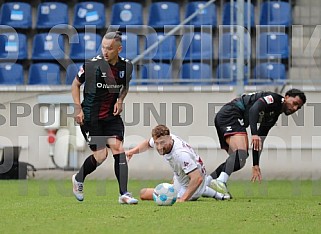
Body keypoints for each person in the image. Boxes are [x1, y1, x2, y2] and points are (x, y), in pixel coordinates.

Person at [71, 31, 138, 204]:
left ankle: (124, 194)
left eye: (109, 48)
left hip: (111, 116)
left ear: (119, 49)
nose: (105, 52)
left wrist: (121, 99)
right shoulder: (92, 65)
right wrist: (78, 109)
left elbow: (125, 86)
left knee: (118, 148)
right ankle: (78, 178)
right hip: (90, 117)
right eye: (103, 48)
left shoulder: (127, 66)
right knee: (101, 155)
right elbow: (76, 84)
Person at [207, 89, 307, 197]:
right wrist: (254, 133)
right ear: (286, 97)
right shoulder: (273, 99)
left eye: (298, 107)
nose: (295, 108)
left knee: (240, 160)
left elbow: (260, 139)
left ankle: (206, 182)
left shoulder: (274, 115)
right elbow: (254, 109)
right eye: (295, 103)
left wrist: (255, 164)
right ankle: (220, 181)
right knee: (241, 154)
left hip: (230, 117)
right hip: (231, 114)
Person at [126, 124, 231, 202]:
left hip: (190, 185)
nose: (159, 147)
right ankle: (218, 195)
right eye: (157, 144)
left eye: (162, 143)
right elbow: (148, 143)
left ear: (170, 138)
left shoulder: (180, 154)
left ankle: (204, 192)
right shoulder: (162, 139)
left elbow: (197, 178)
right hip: (182, 178)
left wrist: (183, 199)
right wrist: (132, 152)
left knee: (144, 194)